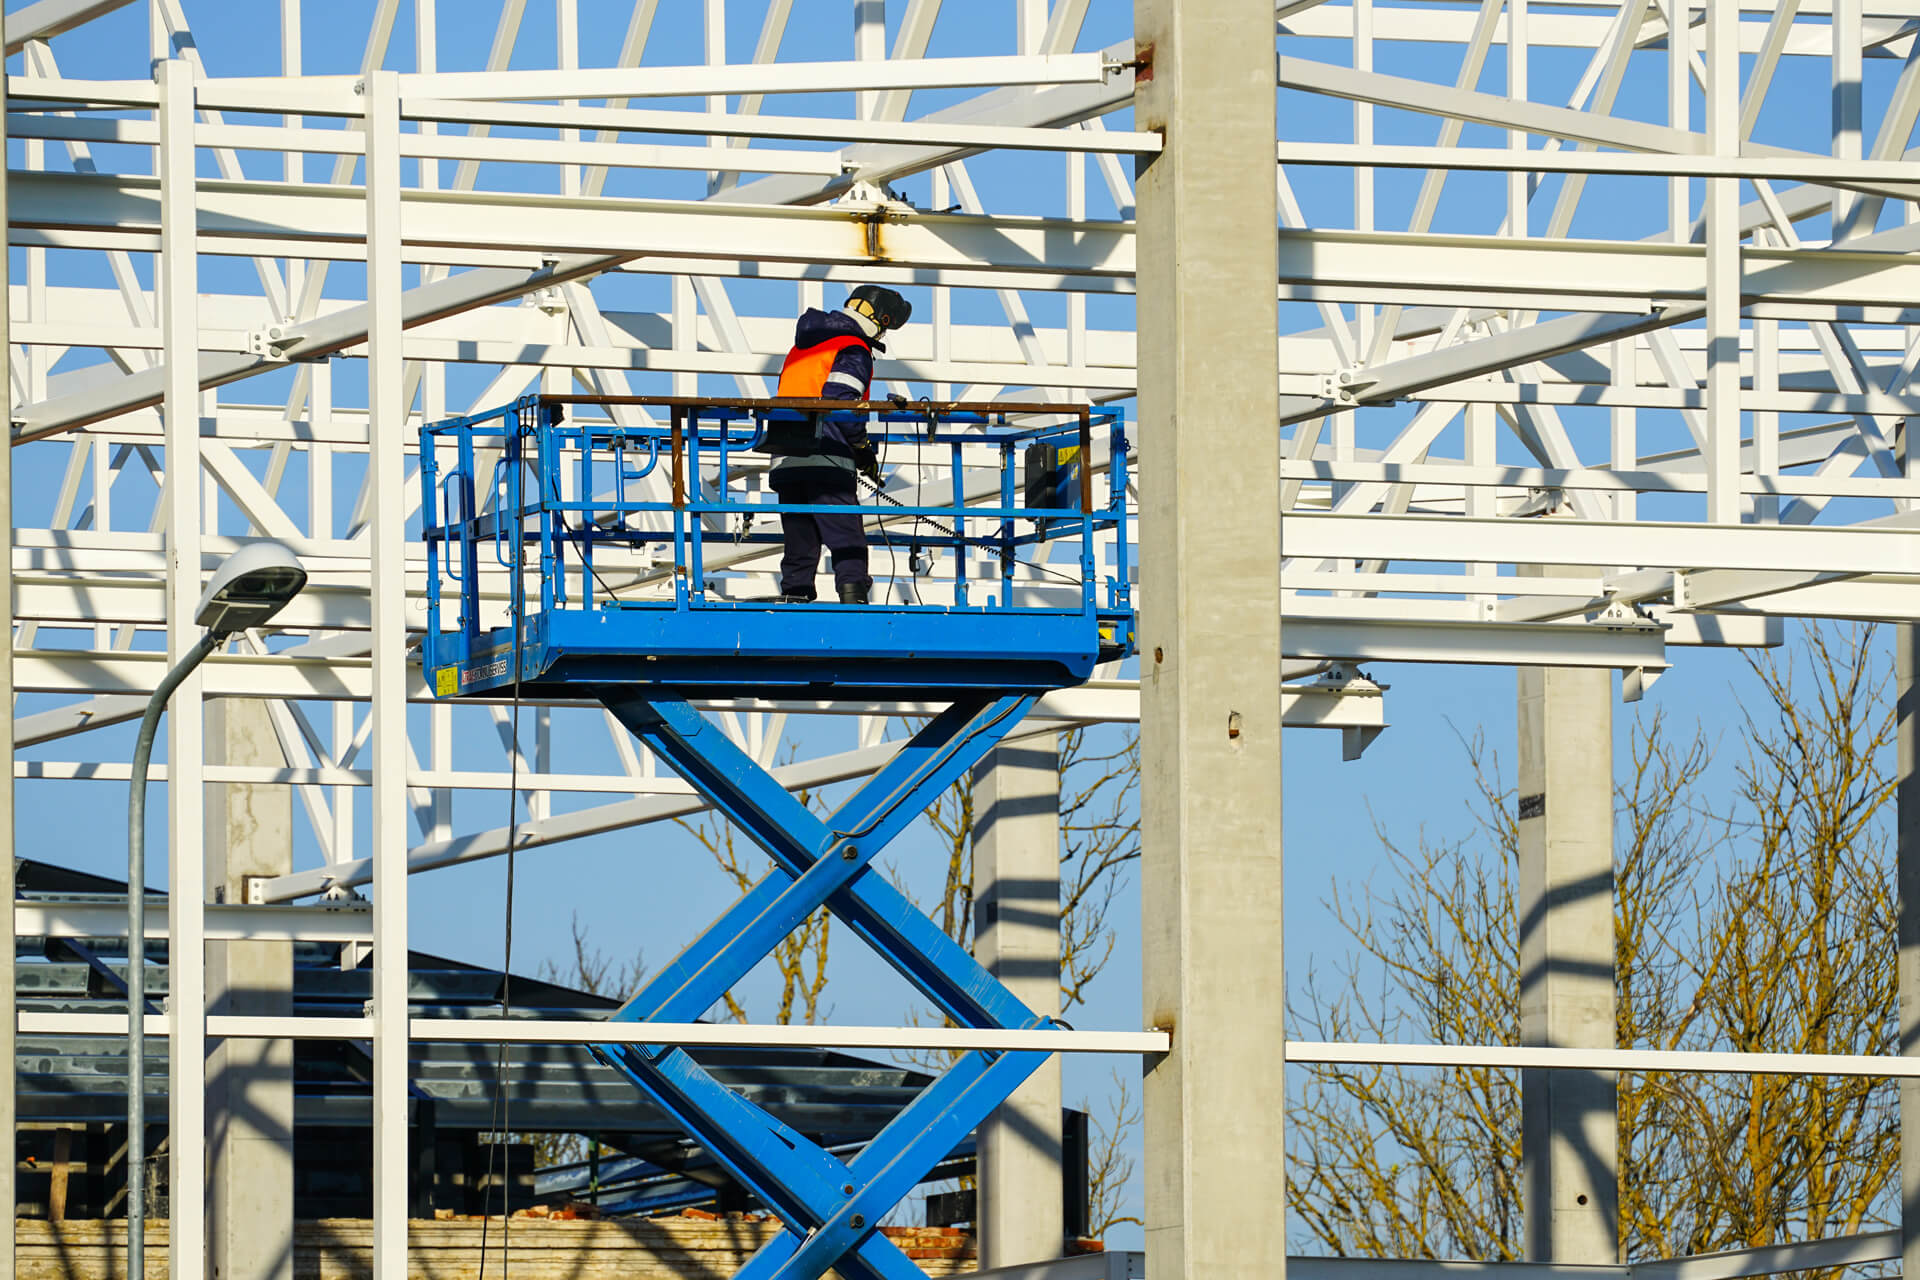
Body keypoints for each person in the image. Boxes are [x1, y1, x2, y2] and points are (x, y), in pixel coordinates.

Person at [768, 285, 912, 604]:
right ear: (879, 319)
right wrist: (862, 449)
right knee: (845, 535)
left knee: (800, 540)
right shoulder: (852, 347)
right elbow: (842, 403)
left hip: (785, 456)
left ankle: (796, 597)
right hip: (826, 454)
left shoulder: (803, 346)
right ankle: (854, 598)